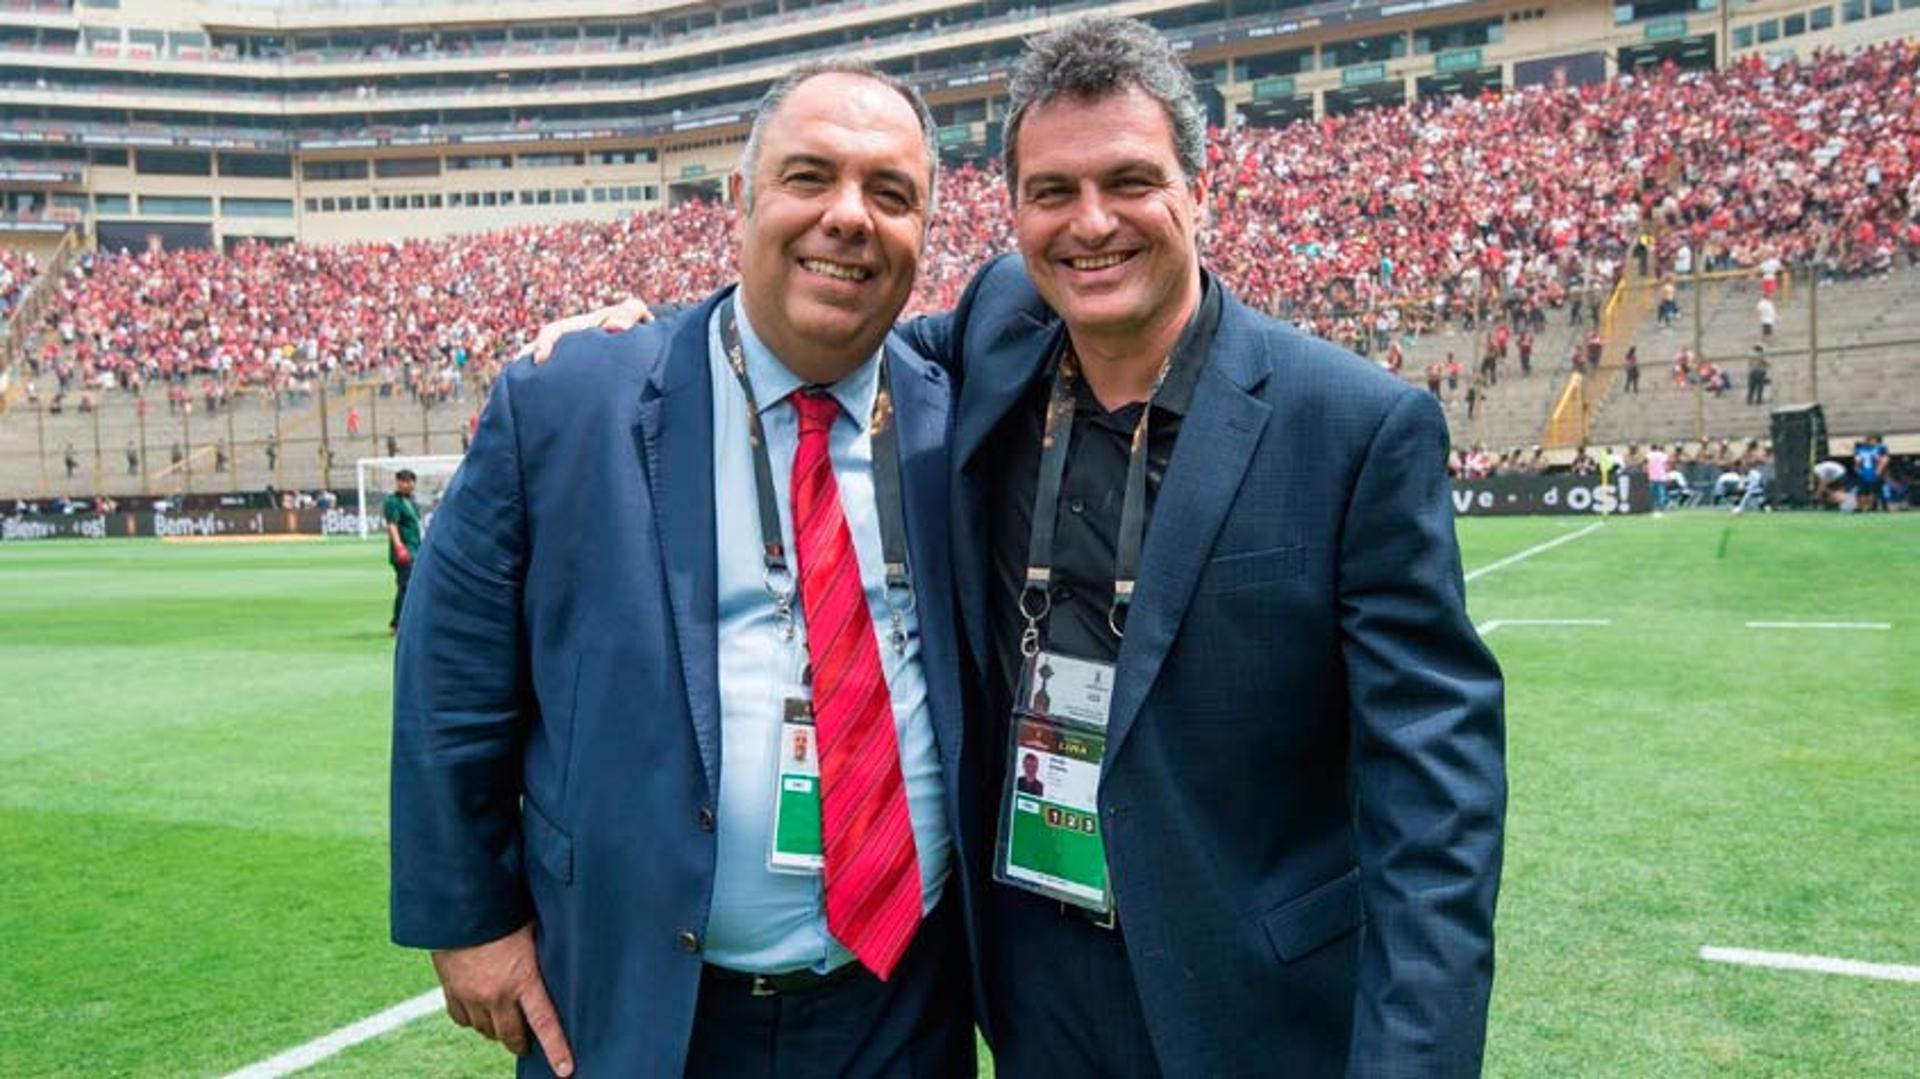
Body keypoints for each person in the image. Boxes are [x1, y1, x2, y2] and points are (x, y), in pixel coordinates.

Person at [534, 18, 1505, 1077]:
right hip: (1031, 990)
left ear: (1199, 192)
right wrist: (662, 336)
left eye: (1130, 181)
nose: (1092, 224)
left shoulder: (1354, 426)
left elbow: (1435, 801)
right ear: (1015, 215)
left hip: (1245, 995)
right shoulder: (997, 334)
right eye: (1053, 191)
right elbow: (821, 320)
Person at [391, 62, 979, 1078]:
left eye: (891, 194)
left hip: (901, 1013)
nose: (849, 216)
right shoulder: (571, 397)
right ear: (739, 201)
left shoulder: (961, 408)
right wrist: (469, 919)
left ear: (925, 234)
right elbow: (450, 681)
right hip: (646, 1002)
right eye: (810, 177)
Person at [382, 468, 421, 636]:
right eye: (404, 481)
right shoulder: (393, 502)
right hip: (404, 551)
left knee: (412, 588)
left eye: (410, 481)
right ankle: (397, 624)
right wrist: (399, 547)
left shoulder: (412, 502)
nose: (408, 484)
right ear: (398, 483)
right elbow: (392, 525)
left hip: (415, 549)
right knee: (405, 587)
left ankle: (407, 621)